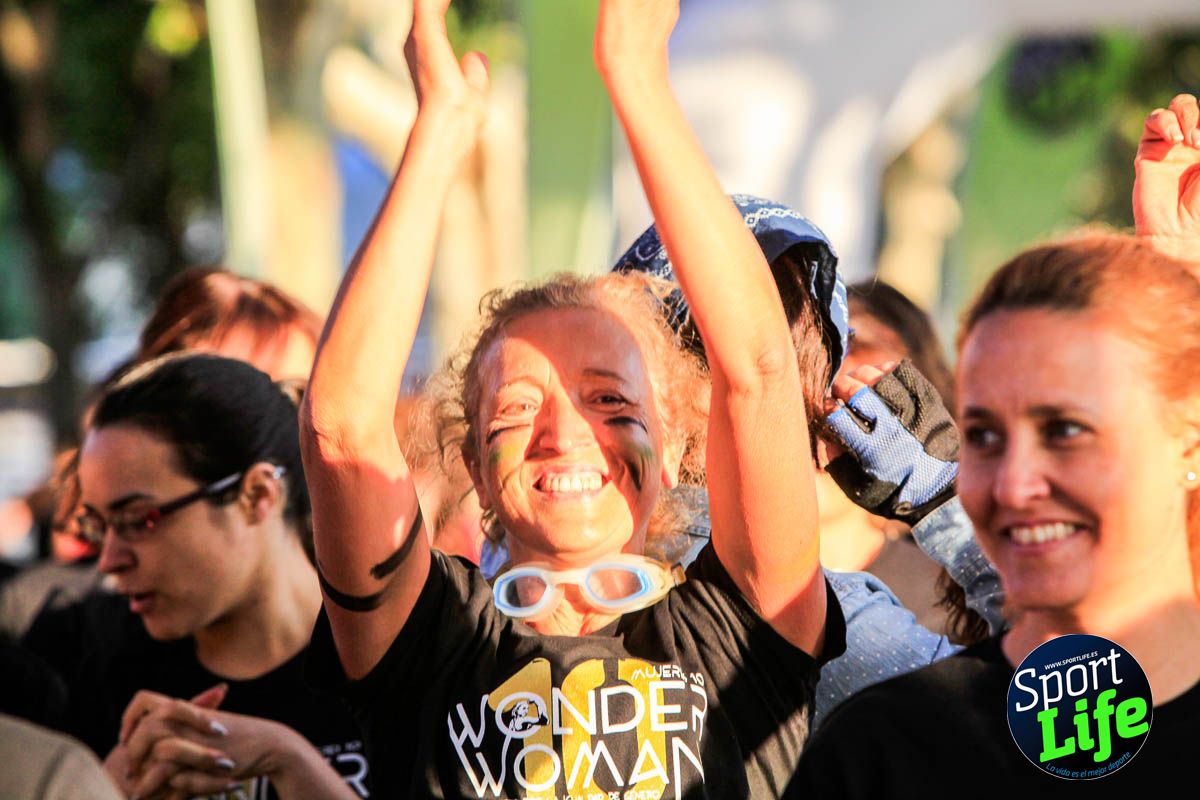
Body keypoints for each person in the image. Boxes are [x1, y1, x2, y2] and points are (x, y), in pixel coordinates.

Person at [300, 0, 842, 796]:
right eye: (518, 409)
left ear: (681, 440)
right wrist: (440, 132)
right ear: (474, 469)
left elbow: (757, 370)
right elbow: (343, 433)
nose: (566, 435)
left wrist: (637, 79)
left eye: (610, 403)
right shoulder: (432, 641)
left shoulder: (741, 625)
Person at [791, 95, 1200, 794]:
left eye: (1066, 430)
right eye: (981, 435)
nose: (1012, 484)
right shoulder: (886, 751)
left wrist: (1174, 280)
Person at [22, 355, 367, 799]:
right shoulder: (88, 672)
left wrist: (290, 761)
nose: (109, 559)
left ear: (257, 495)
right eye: (98, 525)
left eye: (139, 520)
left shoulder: (393, 657)